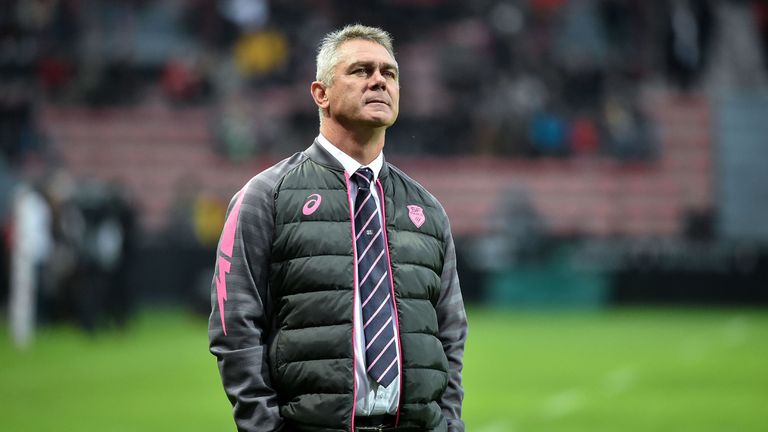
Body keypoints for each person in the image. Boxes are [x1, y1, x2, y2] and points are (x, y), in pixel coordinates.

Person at [209, 24, 467, 432]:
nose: (379, 81)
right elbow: (234, 325)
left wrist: (448, 422)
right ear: (321, 93)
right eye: (361, 70)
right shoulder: (265, 196)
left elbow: (450, 333)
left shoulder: (427, 209)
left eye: (389, 73)